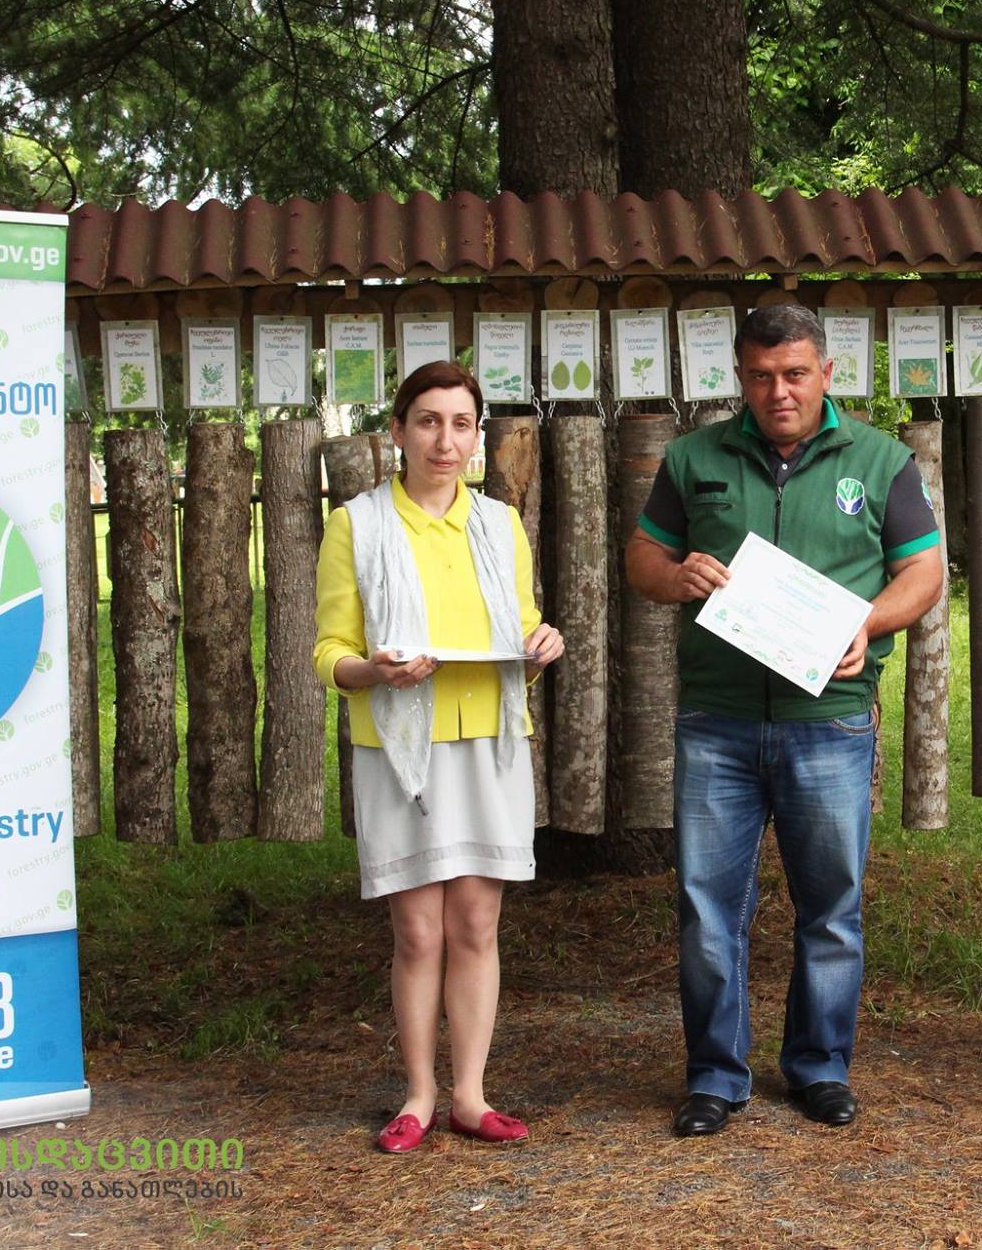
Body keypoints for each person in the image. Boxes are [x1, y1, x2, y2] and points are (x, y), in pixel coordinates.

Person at [626, 304, 944, 1137]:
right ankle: (715, 1075)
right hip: (718, 720)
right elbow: (643, 557)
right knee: (707, 908)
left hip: (829, 720)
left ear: (827, 373)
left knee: (831, 907)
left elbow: (923, 571)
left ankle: (820, 1066)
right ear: (740, 376)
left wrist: (867, 623)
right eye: (762, 376)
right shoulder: (693, 458)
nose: (780, 392)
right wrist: (676, 576)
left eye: (796, 374)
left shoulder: (880, 460)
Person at [313, 360, 565, 1153]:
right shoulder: (357, 525)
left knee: (477, 924)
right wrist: (372, 671)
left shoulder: (498, 524)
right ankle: (418, 1095)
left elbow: (520, 628)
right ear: (397, 431)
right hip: (399, 747)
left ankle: (471, 1095)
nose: (445, 441)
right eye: (428, 421)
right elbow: (329, 652)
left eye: (461, 424)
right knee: (420, 932)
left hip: (489, 739)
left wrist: (540, 646)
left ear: (477, 435)